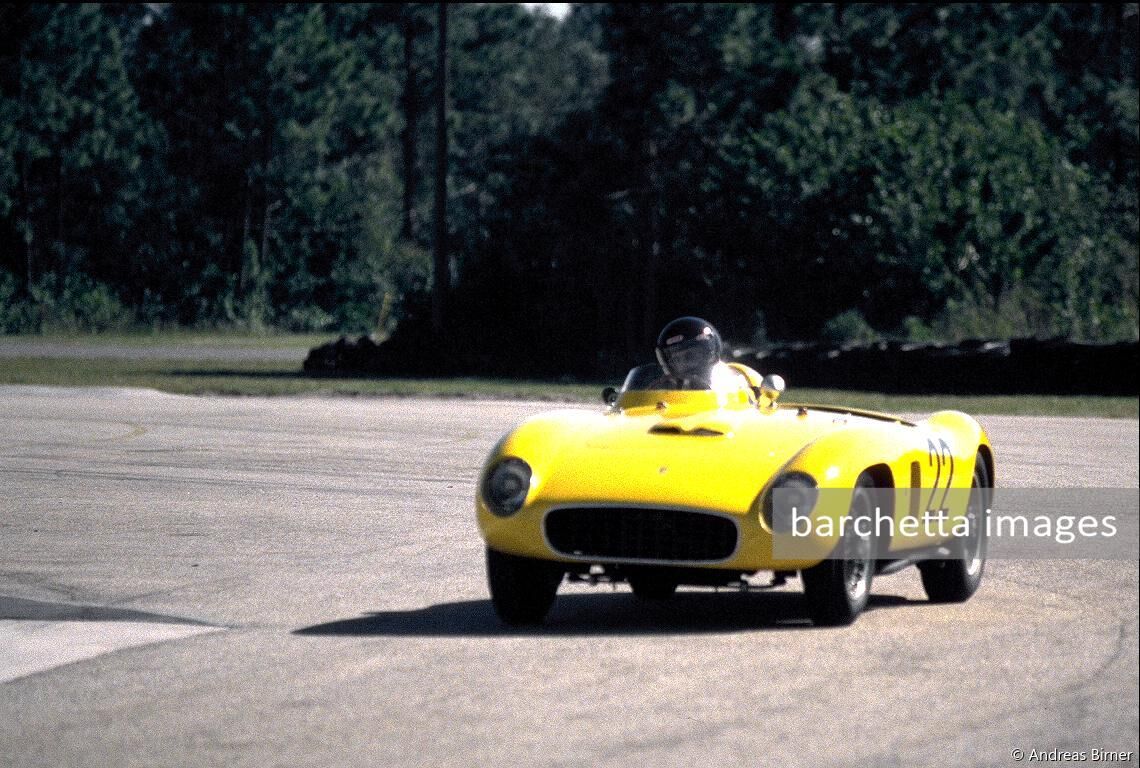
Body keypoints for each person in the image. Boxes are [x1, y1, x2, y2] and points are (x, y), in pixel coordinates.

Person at [653, 316, 734, 390]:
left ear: (708, 355)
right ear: (668, 364)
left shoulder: (727, 383)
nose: (685, 364)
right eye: (677, 359)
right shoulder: (662, 390)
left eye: (690, 356)